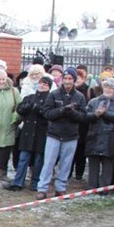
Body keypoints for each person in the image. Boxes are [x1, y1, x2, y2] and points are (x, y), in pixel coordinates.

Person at [36, 67, 87, 199]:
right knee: (48, 163)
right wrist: (61, 111)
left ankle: (61, 188)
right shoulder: (54, 94)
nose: (67, 81)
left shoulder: (80, 97)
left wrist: (73, 113)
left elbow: (83, 117)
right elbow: (47, 113)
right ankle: (42, 188)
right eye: (65, 78)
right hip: (54, 133)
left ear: (74, 80)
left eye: (70, 79)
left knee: (66, 164)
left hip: (71, 135)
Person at [4, 75, 52, 191]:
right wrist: (27, 106)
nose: (42, 85)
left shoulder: (51, 99)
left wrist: (37, 108)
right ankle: (18, 182)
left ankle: (35, 183)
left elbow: (49, 114)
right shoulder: (30, 97)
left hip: (41, 134)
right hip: (28, 133)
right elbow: (20, 109)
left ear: (49, 87)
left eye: (45, 84)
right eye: (41, 83)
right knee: (23, 159)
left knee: (38, 161)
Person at [83, 78, 114, 192]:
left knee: (108, 165)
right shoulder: (93, 101)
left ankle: (104, 188)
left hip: (111, 138)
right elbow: (86, 116)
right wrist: (95, 114)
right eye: (106, 87)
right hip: (94, 135)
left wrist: (105, 113)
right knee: (93, 164)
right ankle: (92, 187)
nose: (108, 89)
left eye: (111, 87)